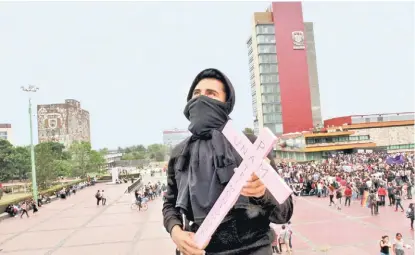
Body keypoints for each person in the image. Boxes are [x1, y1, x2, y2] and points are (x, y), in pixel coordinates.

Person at [162, 68, 293, 255]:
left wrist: (263, 192)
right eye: (196, 93)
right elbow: (170, 204)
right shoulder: (180, 153)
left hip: (254, 249)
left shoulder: (251, 146)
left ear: (226, 103)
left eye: (211, 94)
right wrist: (175, 231)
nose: (201, 99)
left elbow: (285, 211)